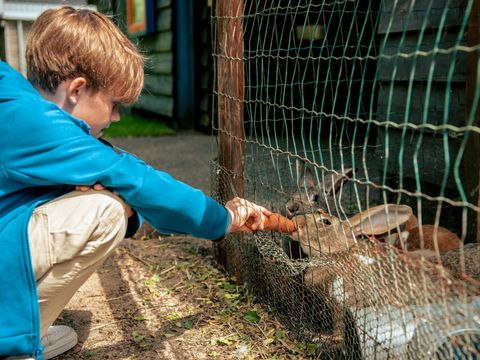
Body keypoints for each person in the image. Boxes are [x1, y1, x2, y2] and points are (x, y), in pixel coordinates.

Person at [0, 6, 270, 359]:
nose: (114, 117)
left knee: (110, 204)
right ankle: (12, 340)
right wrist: (222, 219)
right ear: (77, 89)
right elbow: (136, 178)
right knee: (105, 213)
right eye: (113, 104)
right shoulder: (40, 124)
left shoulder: (13, 97)